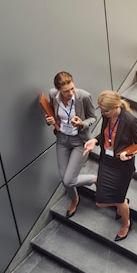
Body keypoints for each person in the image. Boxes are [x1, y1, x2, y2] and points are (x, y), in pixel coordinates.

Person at [83, 90, 137, 241]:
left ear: (116, 106)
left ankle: (125, 223)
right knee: (100, 201)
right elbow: (105, 135)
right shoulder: (107, 116)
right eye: (102, 110)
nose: (103, 113)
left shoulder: (130, 121)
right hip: (107, 162)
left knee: (118, 200)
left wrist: (127, 154)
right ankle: (123, 205)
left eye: (106, 110)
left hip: (122, 167)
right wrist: (95, 141)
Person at [45, 71, 98, 218]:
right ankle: (75, 199)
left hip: (79, 141)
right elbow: (52, 115)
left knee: (69, 180)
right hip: (62, 139)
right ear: (58, 90)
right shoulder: (52, 95)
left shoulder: (84, 96)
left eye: (72, 88)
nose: (70, 93)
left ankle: (94, 179)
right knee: (64, 178)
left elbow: (93, 117)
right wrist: (49, 121)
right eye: (66, 91)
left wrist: (82, 123)